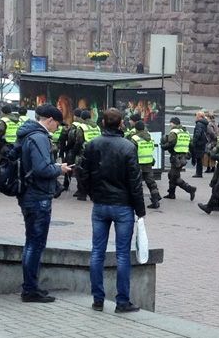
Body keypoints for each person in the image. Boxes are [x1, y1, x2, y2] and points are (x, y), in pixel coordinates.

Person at [80, 108, 145, 312]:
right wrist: (140, 209)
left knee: (97, 252)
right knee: (123, 255)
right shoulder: (128, 147)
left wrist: (92, 194)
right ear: (120, 124)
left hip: (100, 205)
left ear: (103, 124)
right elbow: (135, 181)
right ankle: (122, 301)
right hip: (123, 206)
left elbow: (83, 174)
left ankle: (98, 299)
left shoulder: (92, 145)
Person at [18, 104, 71, 303]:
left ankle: (30, 287)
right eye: (57, 124)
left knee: (32, 242)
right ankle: (30, 289)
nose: (57, 128)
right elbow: (42, 169)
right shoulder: (39, 137)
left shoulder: (28, 133)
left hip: (30, 195)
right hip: (38, 197)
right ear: (50, 120)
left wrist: (55, 166)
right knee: (35, 244)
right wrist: (60, 169)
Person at [160, 117, 196, 202]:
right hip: (183, 157)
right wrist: (193, 157)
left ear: (174, 123)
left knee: (173, 176)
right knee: (172, 175)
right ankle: (171, 194)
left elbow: (171, 143)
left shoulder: (174, 132)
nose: (170, 125)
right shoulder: (185, 132)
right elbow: (191, 145)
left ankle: (190, 189)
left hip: (176, 157)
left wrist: (163, 146)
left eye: (171, 123)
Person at [129, 121, 161, 209]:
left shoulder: (135, 138)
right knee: (151, 182)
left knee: (136, 183)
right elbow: (151, 148)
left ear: (136, 128)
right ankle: (155, 200)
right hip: (148, 162)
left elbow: (132, 151)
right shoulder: (149, 136)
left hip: (138, 163)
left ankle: (137, 203)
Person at [191, 111, 208, 178]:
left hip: (199, 143)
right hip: (202, 142)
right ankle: (199, 173)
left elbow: (198, 134)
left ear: (200, 116)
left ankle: (198, 173)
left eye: (197, 116)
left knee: (198, 158)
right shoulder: (204, 123)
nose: (196, 117)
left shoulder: (199, 124)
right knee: (199, 158)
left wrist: (194, 141)